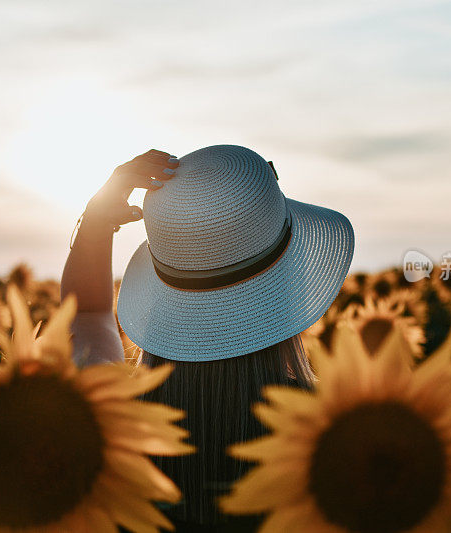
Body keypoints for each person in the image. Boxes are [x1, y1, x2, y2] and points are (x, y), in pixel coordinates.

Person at [61, 145, 354, 532]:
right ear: (291, 287)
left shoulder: (112, 434)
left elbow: (85, 314)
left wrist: (98, 219)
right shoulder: (337, 439)